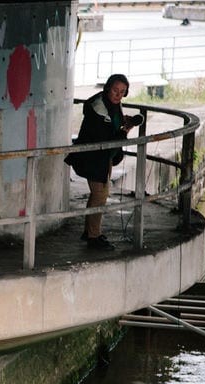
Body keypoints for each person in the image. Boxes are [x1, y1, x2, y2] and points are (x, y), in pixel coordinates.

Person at [65, 74, 140, 251]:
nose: (118, 95)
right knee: (100, 195)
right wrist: (124, 130)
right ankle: (93, 236)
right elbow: (104, 138)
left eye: (122, 92)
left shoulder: (110, 104)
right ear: (107, 88)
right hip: (93, 156)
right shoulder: (99, 109)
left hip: (102, 156)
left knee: (98, 195)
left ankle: (90, 231)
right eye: (115, 90)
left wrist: (123, 124)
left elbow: (111, 131)